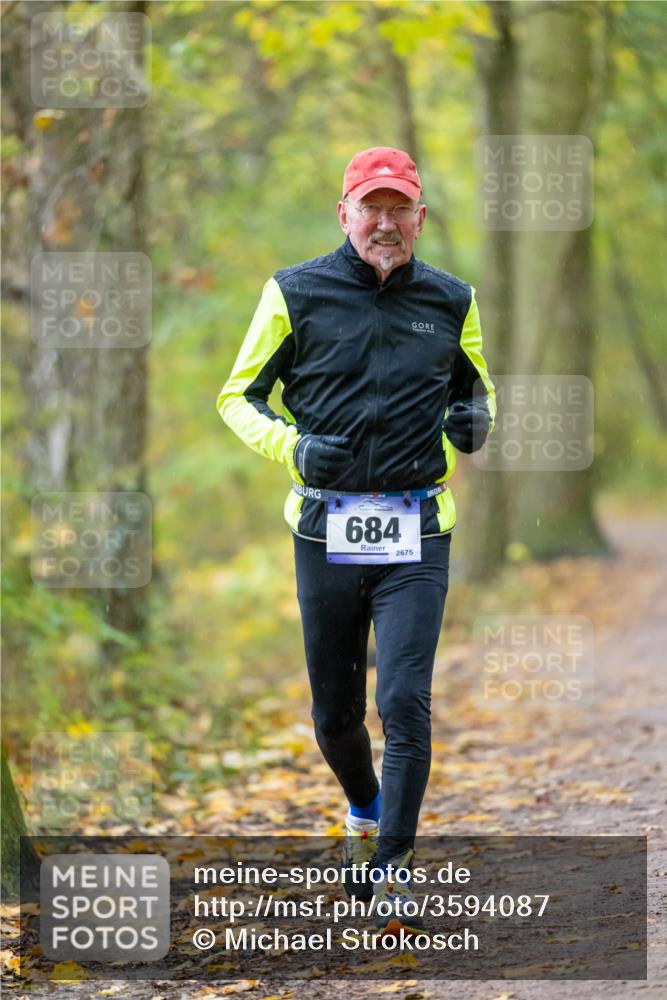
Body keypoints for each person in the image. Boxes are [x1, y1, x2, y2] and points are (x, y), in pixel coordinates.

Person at [217, 146, 495, 936]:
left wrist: (473, 422)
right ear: (344, 214)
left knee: (403, 699)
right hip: (327, 526)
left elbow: (477, 389)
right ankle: (365, 810)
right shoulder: (294, 291)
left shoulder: (451, 299)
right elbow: (238, 397)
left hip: (416, 528)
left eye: (398, 208)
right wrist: (293, 450)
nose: (384, 222)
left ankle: (393, 869)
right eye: (369, 208)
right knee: (336, 716)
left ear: (419, 218)